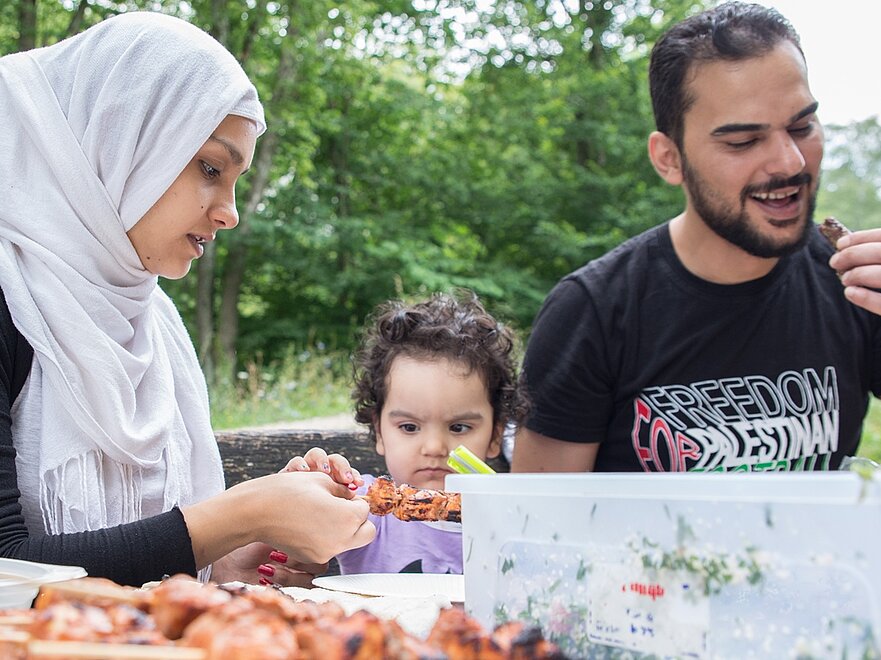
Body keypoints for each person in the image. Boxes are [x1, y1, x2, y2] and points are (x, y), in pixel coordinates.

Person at [511, 1, 881, 474]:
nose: (790, 162)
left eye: (802, 127)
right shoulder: (595, 312)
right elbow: (537, 534)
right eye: (743, 140)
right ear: (669, 158)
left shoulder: (861, 285)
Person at [0, 12, 374, 587]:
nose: (230, 211)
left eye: (235, 181)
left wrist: (235, 554)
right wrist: (241, 513)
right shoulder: (10, 298)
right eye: (209, 167)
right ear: (116, 139)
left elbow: (154, 550)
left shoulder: (156, 324)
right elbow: (7, 569)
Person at [263, 292, 526, 587]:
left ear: (496, 435)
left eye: (459, 427)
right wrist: (298, 493)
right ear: (379, 432)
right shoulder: (358, 508)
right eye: (410, 427)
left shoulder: (519, 525)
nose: (435, 448)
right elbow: (289, 531)